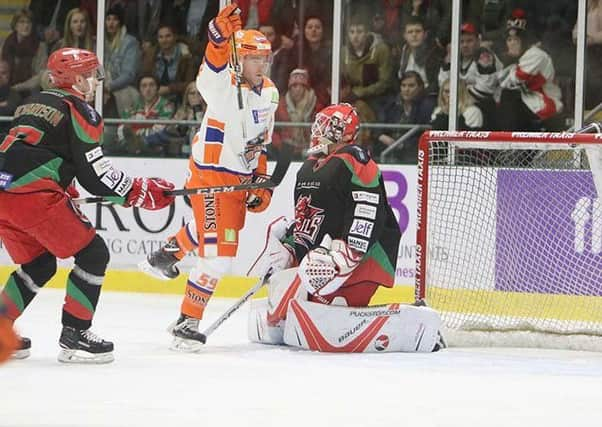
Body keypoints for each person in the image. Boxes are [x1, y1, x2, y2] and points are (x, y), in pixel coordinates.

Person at [0, 48, 176, 364]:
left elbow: (39, 152)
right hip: (33, 197)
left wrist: (64, 187)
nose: (96, 80)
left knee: (39, 264)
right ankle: (76, 334)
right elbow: (95, 175)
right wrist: (141, 193)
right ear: (77, 79)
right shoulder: (80, 110)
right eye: (92, 74)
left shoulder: (32, 103)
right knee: (93, 253)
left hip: (4, 192)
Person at [246, 103, 444, 353]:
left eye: (323, 125)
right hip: (323, 262)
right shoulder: (309, 167)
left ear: (341, 131)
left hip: (360, 260)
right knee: (283, 316)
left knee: (324, 322)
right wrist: (289, 247)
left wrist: (347, 254)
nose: (316, 130)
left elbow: (367, 210)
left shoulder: (355, 159)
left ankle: (416, 322)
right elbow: (310, 219)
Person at [139, 5, 279, 351]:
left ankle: (166, 255)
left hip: (239, 178)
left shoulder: (271, 93)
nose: (261, 66)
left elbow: (260, 139)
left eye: (265, 59)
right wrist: (217, 38)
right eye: (254, 59)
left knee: (213, 232)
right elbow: (210, 70)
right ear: (239, 60)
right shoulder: (223, 84)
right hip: (211, 175)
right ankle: (186, 322)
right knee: (219, 255)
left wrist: (259, 177)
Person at [497, 11, 563, 131]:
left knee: (509, 96)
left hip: (544, 104)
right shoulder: (519, 58)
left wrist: (509, 62)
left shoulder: (536, 55)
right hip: (527, 103)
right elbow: (500, 80)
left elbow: (513, 80)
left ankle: (510, 144)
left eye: (516, 39)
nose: (512, 44)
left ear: (525, 40)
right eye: (509, 40)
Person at [116, 74, 175, 156]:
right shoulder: (133, 106)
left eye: (151, 85)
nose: (148, 89)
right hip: (130, 148)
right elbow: (122, 127)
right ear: (139, 89)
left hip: (156, 147)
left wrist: (136, 135)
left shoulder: (166, 105)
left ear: (157, 88)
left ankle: (137, 144)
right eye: (144, 86)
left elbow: (160, 130)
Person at [274, 68, 324, 158]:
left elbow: (322, 130)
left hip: (310, 150)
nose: (297, 89)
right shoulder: (281, 104)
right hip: (286, 150)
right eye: (294, 86)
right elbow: (272, 130)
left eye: (301, 86)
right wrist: (281, 146)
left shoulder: (316, 105)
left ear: (306, 88)